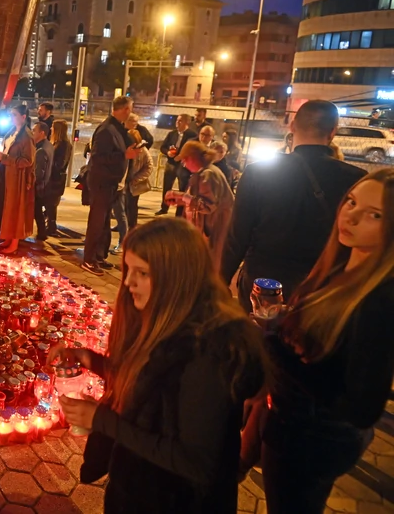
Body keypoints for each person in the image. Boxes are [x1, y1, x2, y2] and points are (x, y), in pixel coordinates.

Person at [56, 218, 265, 513]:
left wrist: (101, 420)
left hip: (174, 501)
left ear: (176, 277)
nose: (127, 283)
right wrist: (88, 359)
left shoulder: (207, 352)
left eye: (142, 273)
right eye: (129, 270)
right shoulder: (167, 321)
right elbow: (150, 385)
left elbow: (195, 463)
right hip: (140, 488)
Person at [256, 170, 394, 513]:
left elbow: (362, 408)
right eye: (351, 202)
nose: (351, 216)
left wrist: (274, 344)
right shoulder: (342, 266)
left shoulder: (381, 300)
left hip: (313, 441)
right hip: (292, 425)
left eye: (375, 214)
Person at [221, 100, 366, 312]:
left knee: (256, 339)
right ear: (332, 131)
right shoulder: (355, 179)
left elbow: (237, 236)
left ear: (292, 126)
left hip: (262, 281)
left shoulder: (258, 172)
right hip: (320, 282)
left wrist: (220, 279)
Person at [82, 96, 137, 275]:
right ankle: (88, 259)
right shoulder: (106, 129)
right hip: (101, 182)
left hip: (110, 183)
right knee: (97, 222)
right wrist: (124, 156)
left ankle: (98, 256)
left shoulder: (117, 128)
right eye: (130, 109)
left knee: (104, 222)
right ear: (125, 110)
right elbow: (97, 157)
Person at [165, 141, 235, 270]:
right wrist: (180, 201)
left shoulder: (208, 174)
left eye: (185, 159)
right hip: (208, 231)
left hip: (212, 231)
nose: (183, 164)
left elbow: (207, 206)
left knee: (208, 267)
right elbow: (198, 200)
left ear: (192, 158)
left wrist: (181, 196)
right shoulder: (204, 172)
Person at [0, 105, 35, 254]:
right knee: (6, 206)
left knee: (15, 208)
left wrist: (5, 158)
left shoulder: (26, 136)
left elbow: (28, 160)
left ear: (23, 117)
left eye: (14, 115)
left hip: (17, 178)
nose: (11, 117)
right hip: (7, 174)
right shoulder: (12, 131)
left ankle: (14, 242)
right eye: (11, 115)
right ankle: (8, 238)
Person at [156, 114, 196, 216]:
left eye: (180, 121)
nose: (177, 123)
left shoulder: (192, 135)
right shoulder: (171, 134)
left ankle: (179, 212)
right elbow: (163, 147)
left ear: (187, 122)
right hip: (171, 163)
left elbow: (192, 150)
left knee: (182, 189)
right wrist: (167, 153)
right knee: (166, 187)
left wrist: (182, 156)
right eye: (177, 120)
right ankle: (164, 207)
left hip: (183, 166)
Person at [43, 119, 72, 237]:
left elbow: (60, 164)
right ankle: (49, 224)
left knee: (51, 203)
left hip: (55, 179)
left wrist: (49, 165)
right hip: (51, 177)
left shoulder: (64, 145)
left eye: (53, 128)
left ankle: (51, 227)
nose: (51, 129)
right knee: (49, 203)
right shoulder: (55, 143)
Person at [122, 128, 153, 234]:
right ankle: (123, 225)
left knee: (131, 205)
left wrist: (137, 178)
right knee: (123, 205)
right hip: (124, 180)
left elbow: (149, 166)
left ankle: (132, 227)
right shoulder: (126, 147)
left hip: (133, 182)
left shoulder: (142, 150)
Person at [31, 122, 54, 241]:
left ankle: (41, 233)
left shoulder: (41, 149)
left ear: (42, 133)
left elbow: (39, 173)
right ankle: (42, 232)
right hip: (45, 185)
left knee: (37, 210)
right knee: (38, 210)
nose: (32, 132)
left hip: (39, 186)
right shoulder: (49, 145)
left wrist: (32, 183)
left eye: (34, 130)